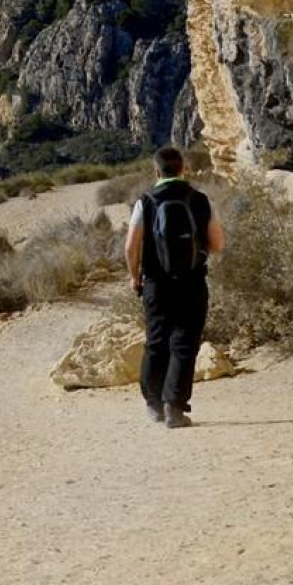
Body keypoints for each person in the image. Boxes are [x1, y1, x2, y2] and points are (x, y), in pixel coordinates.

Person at [125, 146, 226, 428]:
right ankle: (175, 407)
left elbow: (131, 247)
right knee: (184, 344)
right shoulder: (200, 200)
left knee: (156, 342)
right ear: (184, 169)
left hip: (156, 284)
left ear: (156, 172)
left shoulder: (145, 201)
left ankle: (153, 403)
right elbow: (218, 245)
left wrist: (135, 278)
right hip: (192, 282)